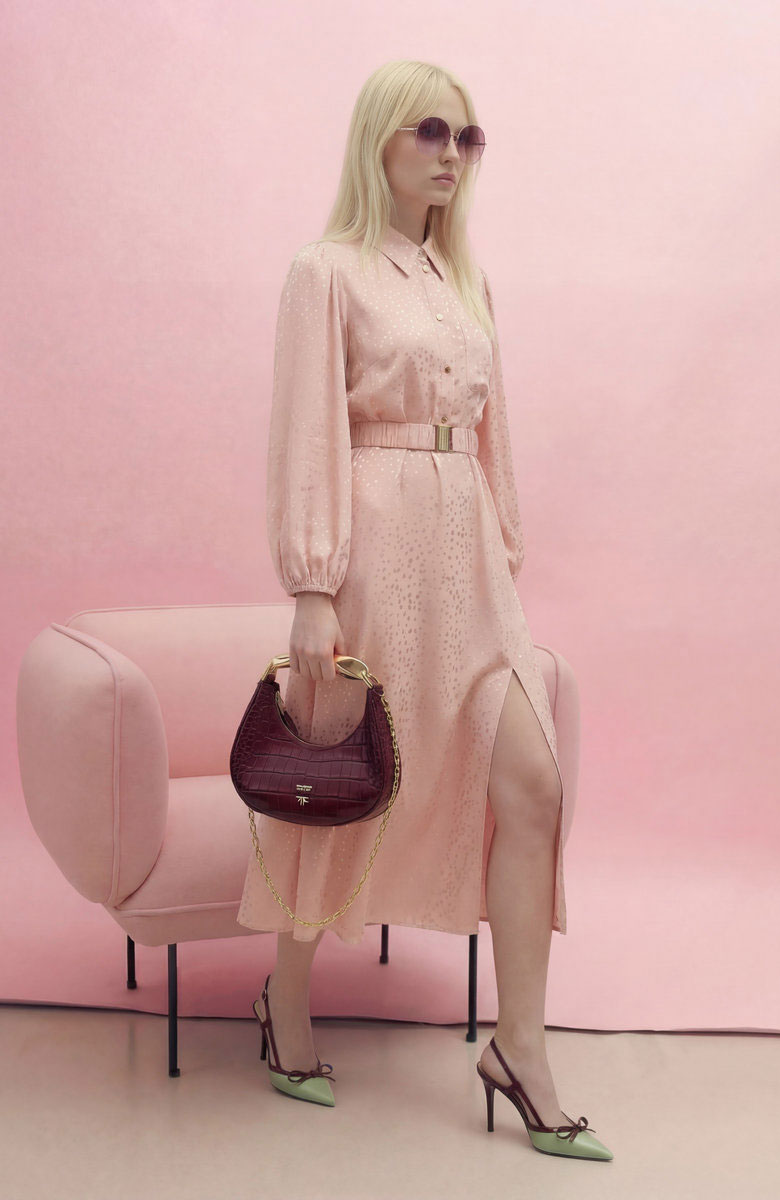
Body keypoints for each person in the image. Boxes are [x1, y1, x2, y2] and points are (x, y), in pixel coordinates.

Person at [237, 59, 613, 1161]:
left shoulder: (465, 280)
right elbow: (306, 429)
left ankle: (520, 1047)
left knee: (532, 784)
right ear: (381, 141)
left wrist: (502, 552)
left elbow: (494, 436)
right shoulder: (325, 272)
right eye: (431, 132)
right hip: (372, 550)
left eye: (468, 137)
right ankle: (286, 1001)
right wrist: (312, 588)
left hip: (469, 564)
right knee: (339, 789)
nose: (453, 154)